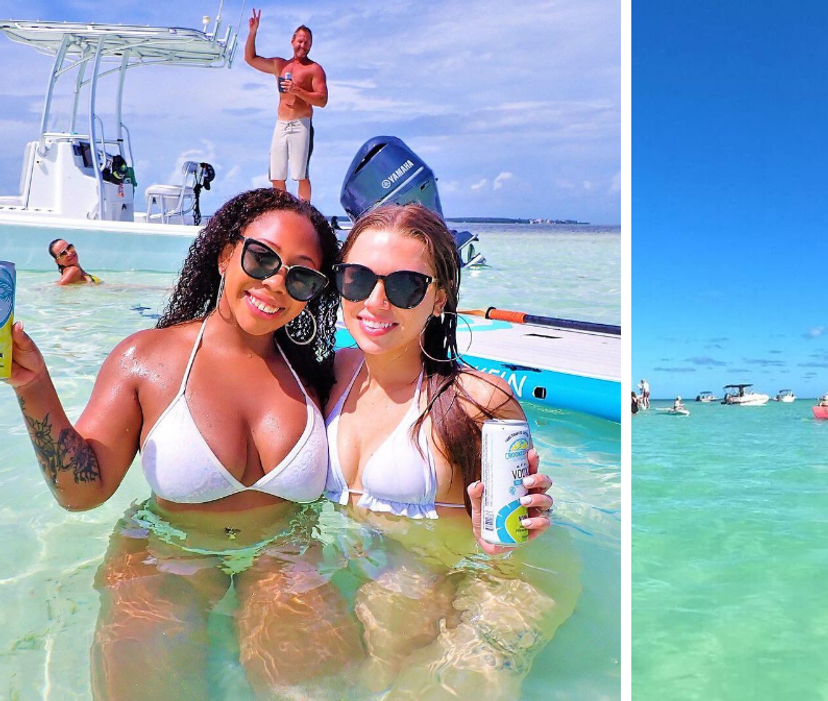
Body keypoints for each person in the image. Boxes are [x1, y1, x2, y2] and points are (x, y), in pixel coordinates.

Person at [6, 189, 362, 698]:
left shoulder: (315, 377)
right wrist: (34, 387)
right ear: (224, 253)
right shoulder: (146, 358)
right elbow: (81, 492)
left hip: (284, 560)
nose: (275, 283)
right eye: (261, 258)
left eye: (301, 276)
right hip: (166, 557)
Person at [323, 204, 573, 697]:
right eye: (357, 279)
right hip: (361, 577)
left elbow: (509, 555)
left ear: (439, 298)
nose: (375, 302)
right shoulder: (330, 373)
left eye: (404, 286)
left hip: (451, 585)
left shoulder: (478, 402)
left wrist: (510, 543)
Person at [245, 9, 328, 202]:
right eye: (300, 40)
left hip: (301, 124)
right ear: (292, 42)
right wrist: (253, 32)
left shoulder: (314, 69)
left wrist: (297, 90)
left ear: (311, 45)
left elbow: (322, 100)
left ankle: (305, 213)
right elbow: (250, 59)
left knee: (300, 174)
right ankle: (281, 211)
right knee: (277, 173)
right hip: (281, 123)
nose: (303, 45)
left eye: (307, 42)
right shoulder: (280, 65)